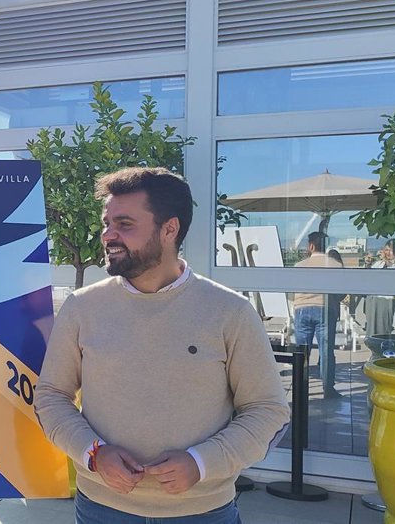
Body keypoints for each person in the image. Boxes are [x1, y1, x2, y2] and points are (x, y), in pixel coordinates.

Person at [36, 167, 290, 523]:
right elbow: (51, 397)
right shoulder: (82, 307)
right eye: (107, 223)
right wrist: (94, 453)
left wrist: (202, 463)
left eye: (124, 224)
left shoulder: (230, 311)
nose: (108, 235)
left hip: (202, 512)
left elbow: (267, 411)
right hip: (101, 510)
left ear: (170, 229)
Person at [291, 233, 344, 399]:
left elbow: (292, 289)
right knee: (326, 351)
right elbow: (342, 292)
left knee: (302, 352)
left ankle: (300, 389)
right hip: (325, 309)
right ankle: (328, 389)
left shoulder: (299, 266)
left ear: (311, 246)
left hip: (302, 309)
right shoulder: (335, 265)